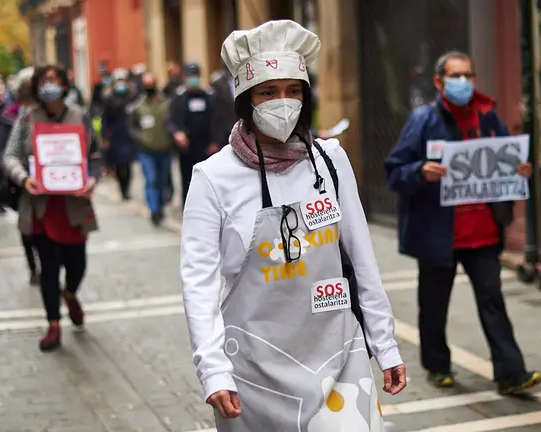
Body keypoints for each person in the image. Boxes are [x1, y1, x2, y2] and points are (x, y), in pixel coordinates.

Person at [180, 21, 406, 430]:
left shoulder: (330, 161)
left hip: (338, 350)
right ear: (246, 100)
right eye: (268, 91)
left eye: (294, 90)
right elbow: (198, 282)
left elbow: (361, 257)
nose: (283, 102)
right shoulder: (212, 177)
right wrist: (213, 369)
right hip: (253, 366)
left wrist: (384, 345)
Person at [384, 50, 541, 395]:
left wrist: (518, 170)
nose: (463, 83)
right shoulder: (423, 120)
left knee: (493, 302)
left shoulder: (487, 117)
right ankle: (438, 367)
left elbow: (505, 158)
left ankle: (511, 373)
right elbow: (395, 171)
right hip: (439, 236)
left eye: (468, 76)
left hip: (483, 234)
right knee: (434, 306)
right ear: (439, 82)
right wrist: (420, 171)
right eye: (456, 77)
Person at [3, 65, 101, 351]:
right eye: (44, 81)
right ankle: (53, 325)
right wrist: (24, 179)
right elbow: (10, 157)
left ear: (64, 85)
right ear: (36, 87)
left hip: (74, 206)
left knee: (77, 264)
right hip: (40, 207)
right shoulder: (26, 119)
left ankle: (69, 294)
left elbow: (95, 154)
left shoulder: (80, 116)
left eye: (55, 80)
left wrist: (92, 179)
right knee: (47, 268)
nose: (50, 85)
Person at [0, 67, 40, 285]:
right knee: (28, 228)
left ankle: (47, 266)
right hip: (23, 181)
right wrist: (16, 174)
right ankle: (33, 266)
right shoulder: (12, 115)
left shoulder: (51, 113)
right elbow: (6, 150)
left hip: (48, 181)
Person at [167, 62, 221, 207]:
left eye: (195, 75)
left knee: (207, 180)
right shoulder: (179, 96)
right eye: (190, 75)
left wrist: (215, 141)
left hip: (206, 147)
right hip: (187, 147)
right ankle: (188, 207)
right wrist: (177, 134)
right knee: (187, 180)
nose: (193, 79)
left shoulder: (209, 95)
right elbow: (171, 120)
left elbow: (217, 120)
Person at [128, 72, 172, 226]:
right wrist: (140, 138)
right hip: (146, 150)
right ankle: (154, 209)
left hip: (165, 149)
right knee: (151, 179)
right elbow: (132, 127)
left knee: (163, 180)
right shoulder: (138, 106)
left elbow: (171, 123)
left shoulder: (166, 104)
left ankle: (161, 205)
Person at [102, 68, 138, 200]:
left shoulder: (132, 97)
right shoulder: (109, 99)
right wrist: (105, 137)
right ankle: (122, 188)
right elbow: (105, 119)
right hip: (116, 135)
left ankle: (127, 189)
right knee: (118, 163)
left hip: (129, 134)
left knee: (128, 164)